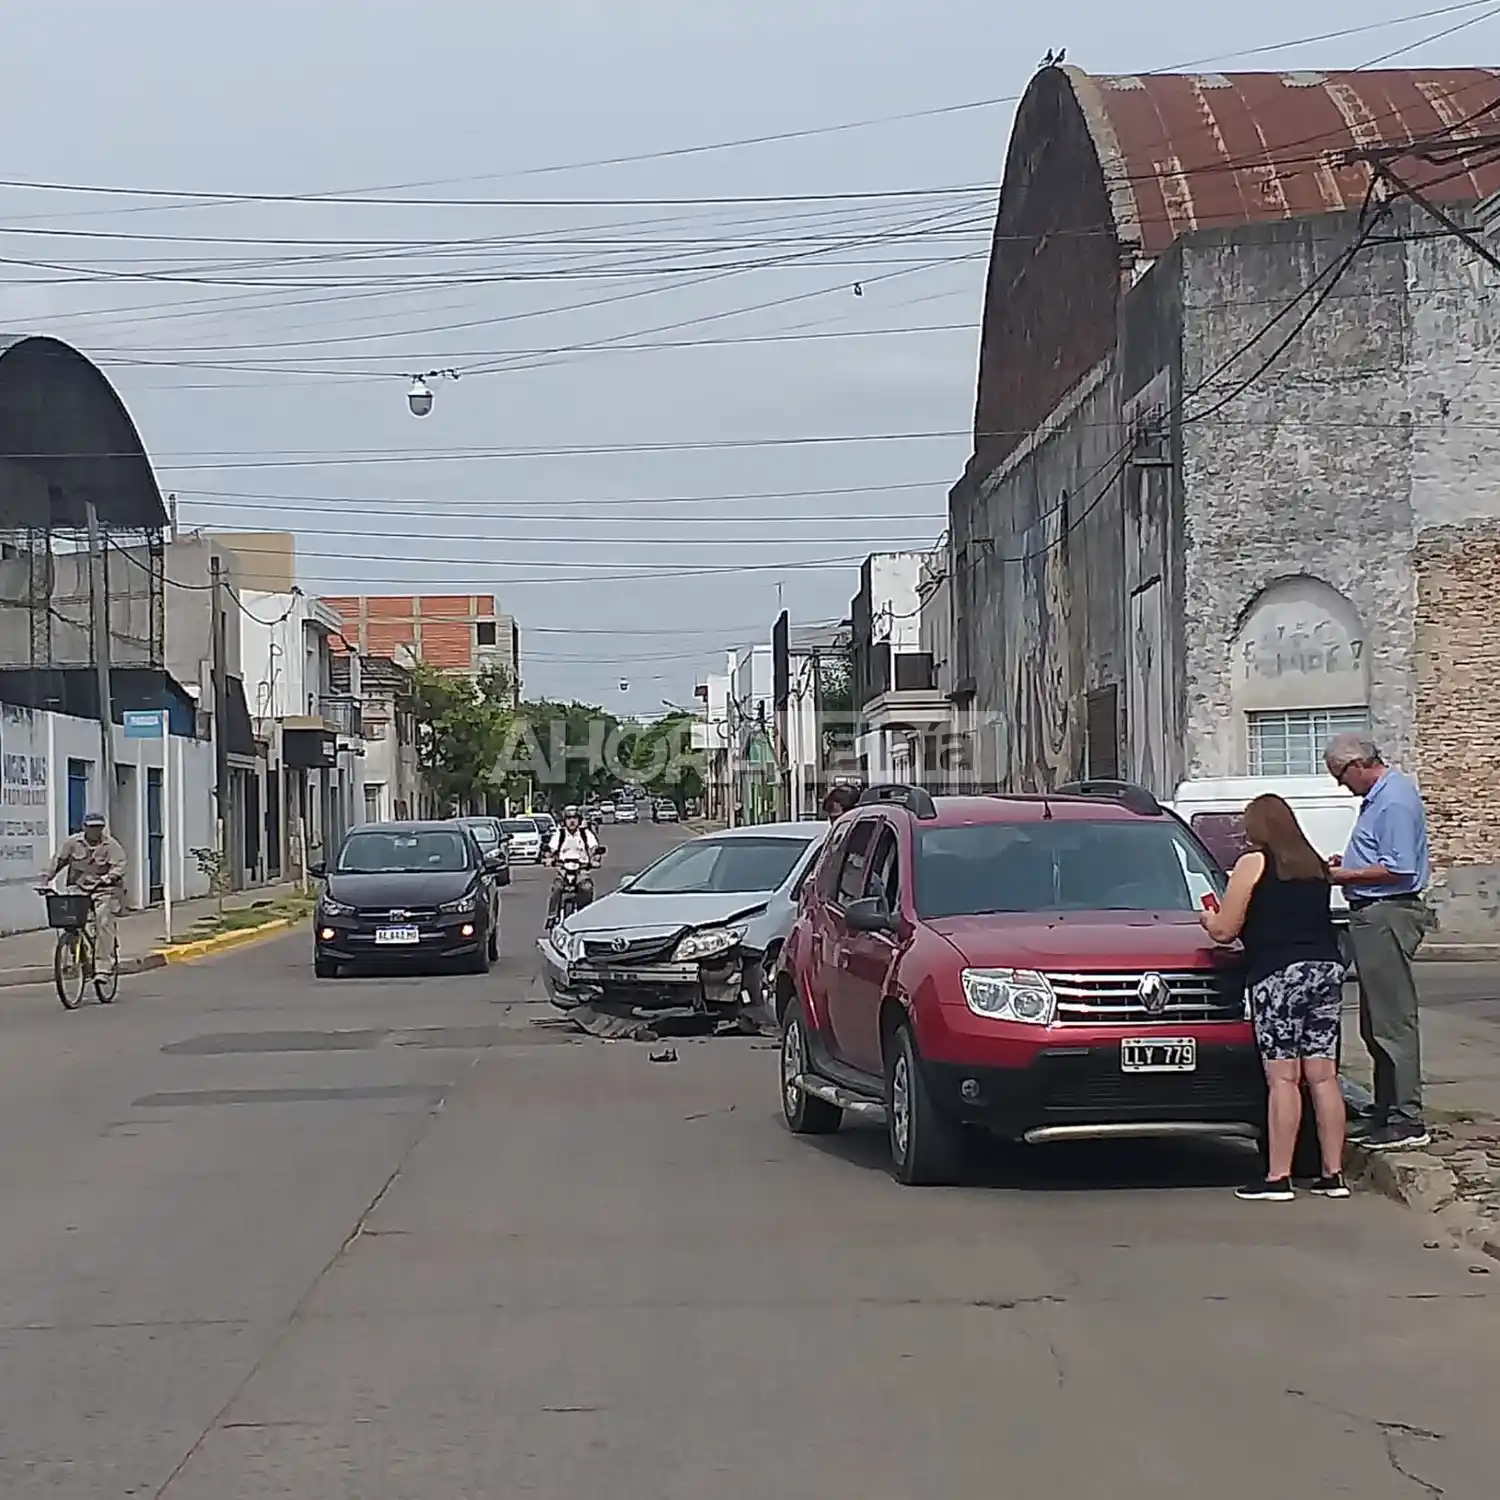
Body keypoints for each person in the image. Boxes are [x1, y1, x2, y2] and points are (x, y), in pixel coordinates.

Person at [1200, 793, 1348, 1202]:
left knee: (1283, 1076)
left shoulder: (1255, 862)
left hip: (1280, 972)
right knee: (1323, 1074)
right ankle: (1333, 1174)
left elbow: (1225, 930)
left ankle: (1278, 1177)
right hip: (1326, 968)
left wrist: (1208, 918)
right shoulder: (1316, 866)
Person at [1323, 732, 1433, 1151]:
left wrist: (1343, 876)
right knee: (1375, 1021)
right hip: (1373, 913)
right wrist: (1349, 863)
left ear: (1357, 765)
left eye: (1340, 775)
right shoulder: (1380, 799)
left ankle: (1407, 1117)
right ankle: (1386, 1111)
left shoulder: (1394, 801)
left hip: (1387, 912)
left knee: (1392, 1020)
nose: (1341, 785)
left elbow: (1399, 868)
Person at [37, 812, 127, 978]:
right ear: (84, 827)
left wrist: (109, 877)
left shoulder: (111, 845)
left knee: (103, 920)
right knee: (71, 921)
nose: (95, 831)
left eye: (98, 828)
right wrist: (45, 880)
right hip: (78, 888)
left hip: (104, 889)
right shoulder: (72, 843)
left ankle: (103, 968)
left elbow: (120, 865)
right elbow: (57, 861)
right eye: (91, 827)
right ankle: (79, 957)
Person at [543, 805, 601, 923]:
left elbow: (594, 848)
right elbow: (550, 850)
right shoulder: (560, 834)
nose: (572, 821)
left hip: (582, 871)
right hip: (563, 870)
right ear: (564, 821)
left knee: (587, 888)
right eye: (569, 818)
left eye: (574, 818)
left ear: (579, 820)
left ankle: (585, 915)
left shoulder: (586, 834)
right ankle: (552, 916)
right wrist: (547, 858)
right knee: (557, 888)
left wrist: (595, 858)